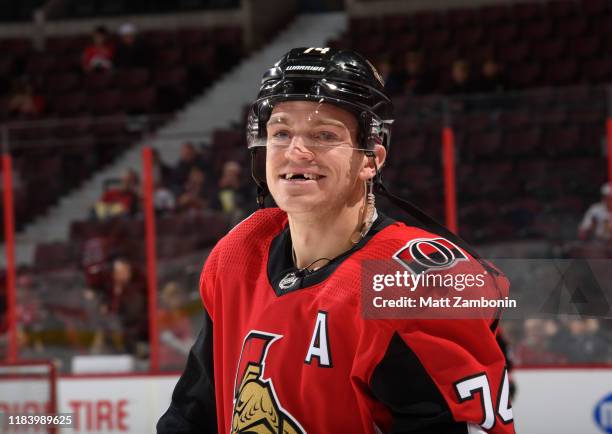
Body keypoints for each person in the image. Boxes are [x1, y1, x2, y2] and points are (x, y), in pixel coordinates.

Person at [157, 48, 515, 433]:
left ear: (370, 159)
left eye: (324, 135)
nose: (296, 151)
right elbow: (191, 416)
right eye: (280, 132)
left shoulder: (405, 284)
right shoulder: (238, 253)